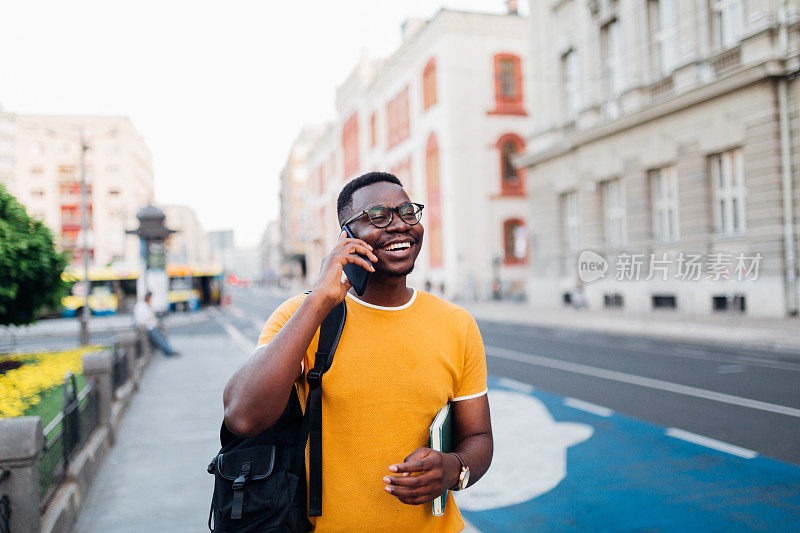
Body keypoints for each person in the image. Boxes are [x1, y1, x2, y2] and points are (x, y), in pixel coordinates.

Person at [223, 172, 492, 532]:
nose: (399, 225)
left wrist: (453, 469)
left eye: (408, 212)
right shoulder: (301, 317)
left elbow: (479, 438)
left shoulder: (457, 324)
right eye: (379, 216)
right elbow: (243, 415)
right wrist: (321, 298)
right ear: (345, 237)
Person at [134, 291, 179, 356]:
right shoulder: (141, 306)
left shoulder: (145, 305)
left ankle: (169, 350)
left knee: (162, 334)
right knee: (159, 337)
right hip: (146, 326)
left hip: (149, 325)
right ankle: (169, 351)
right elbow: (145, 318)